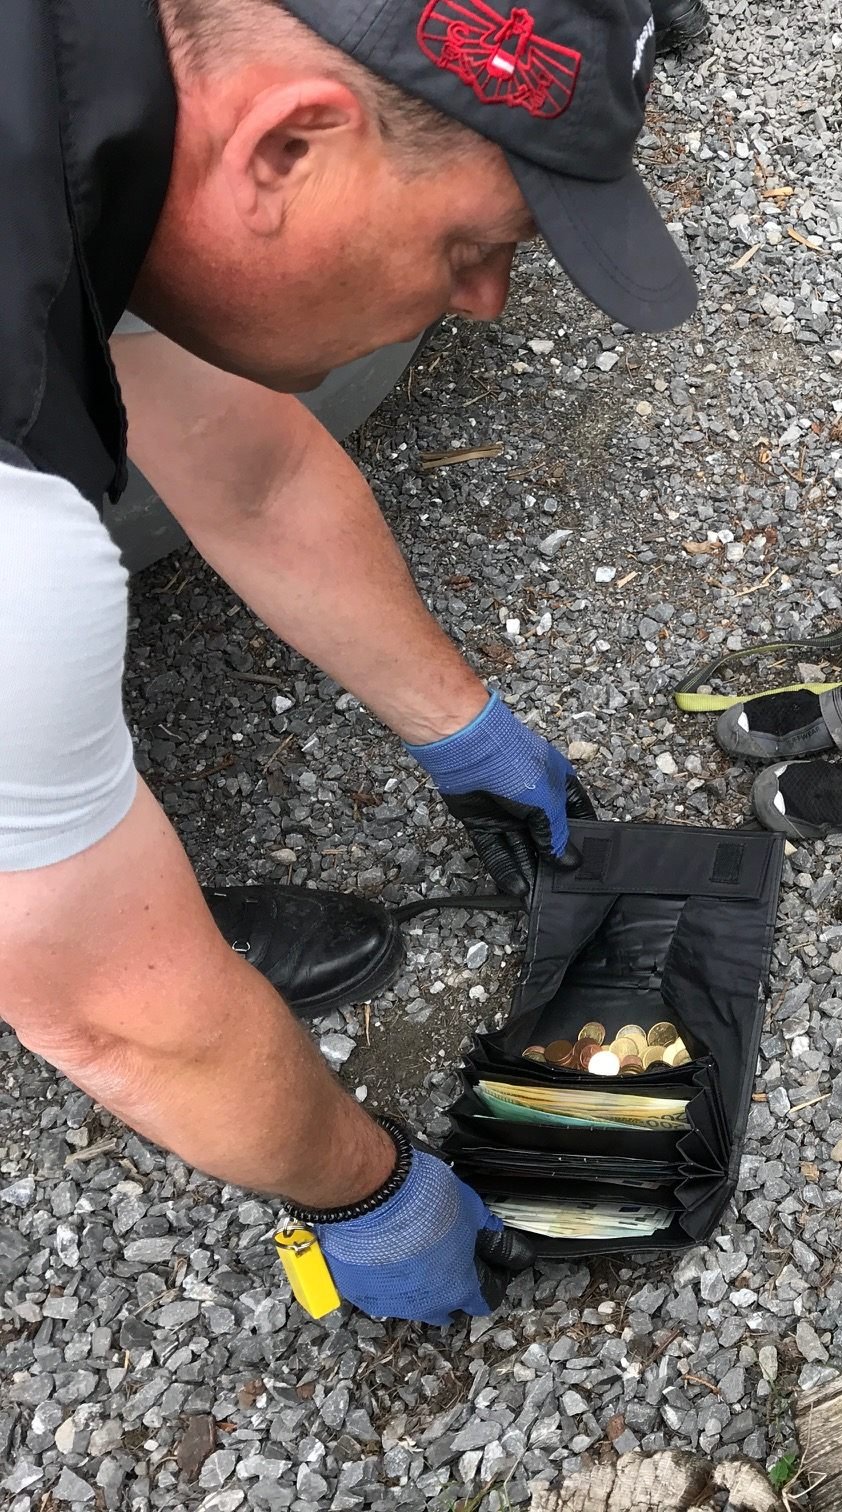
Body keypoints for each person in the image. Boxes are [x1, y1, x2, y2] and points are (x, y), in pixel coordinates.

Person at [0, 0, 701, 1325]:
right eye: (470, 247)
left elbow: (249, 467)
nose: (486, 303)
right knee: (85, 946)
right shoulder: (13, 545)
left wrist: (463, 729)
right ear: (286, 148)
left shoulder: (100, 105)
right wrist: (366, 1190)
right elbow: (116, 1017)